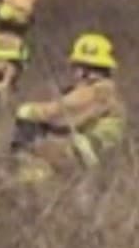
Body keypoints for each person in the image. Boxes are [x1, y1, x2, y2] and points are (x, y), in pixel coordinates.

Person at [12, 33, 127, 183]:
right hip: (100, 156)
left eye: (77, 66)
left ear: (85, 70)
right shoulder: (104, 90)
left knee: (36, 161)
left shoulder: (98, 91)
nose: (75, 71)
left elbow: (60, 114)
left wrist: (28, 111)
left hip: (91, 154)